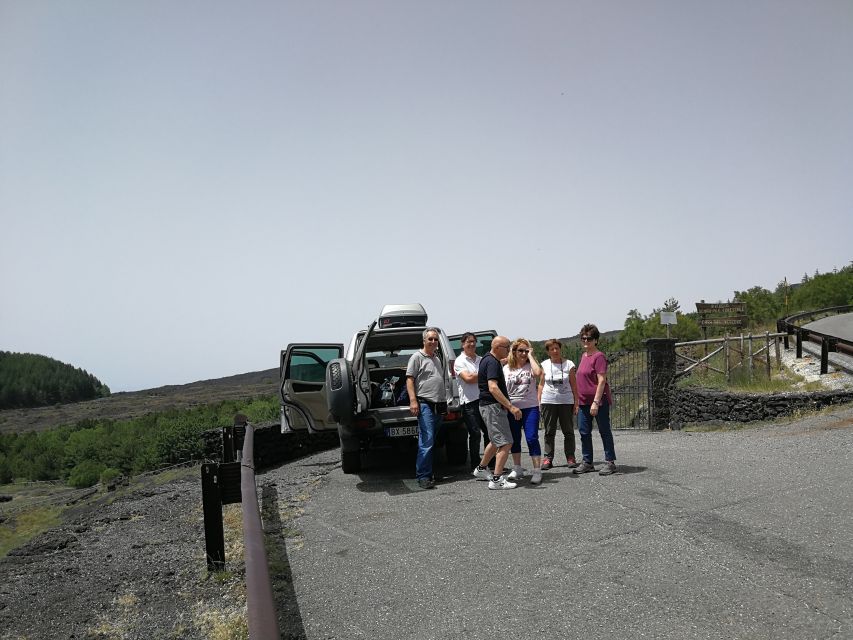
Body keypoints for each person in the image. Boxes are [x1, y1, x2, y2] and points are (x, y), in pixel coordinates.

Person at [471, 336, 520, 489]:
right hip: (492, 407)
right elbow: (493, 387)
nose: (509, 350)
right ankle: (497, 479)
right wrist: (510, 406)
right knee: (506, 442)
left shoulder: (488, 359)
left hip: (487, 406)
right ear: (498, 347)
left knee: (495, 440)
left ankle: (481, 468)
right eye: (507, 347)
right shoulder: (492, 362)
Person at [406, 327, 447, 489]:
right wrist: (413, 400)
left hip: (439, 405)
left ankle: (429, 473)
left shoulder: (437, 358)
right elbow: (409, 380)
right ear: (424, 341)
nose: (433, 341)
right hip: (424, 404)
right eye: (430, 339)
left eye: (435, 339)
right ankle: (423, 476)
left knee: (432, 440)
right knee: (427, 440)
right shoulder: (417, 357)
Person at [573, 323, 617, 475]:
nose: (586, 341)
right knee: (584, 432)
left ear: (596, 340)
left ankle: (610, 462)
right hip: (583, 401)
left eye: (589, 338)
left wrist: (596, 402)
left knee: (604, 431)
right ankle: (587, 462)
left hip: (598, 401)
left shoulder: (599, 357)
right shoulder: (584, 356)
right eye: (583, 338)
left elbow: (601, 381)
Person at [503, 338, 544, 484]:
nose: (523, 353)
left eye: (526, 350)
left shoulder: (530, 366)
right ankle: (517, 467)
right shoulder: (506, 368)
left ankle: (537, 470)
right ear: (513, 351)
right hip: (512, 408)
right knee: (514, 438)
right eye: (520, 350)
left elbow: (539, 373)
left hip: (530, 407)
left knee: (532, 437)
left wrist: (531, 356)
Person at [538, 339, 579, 470]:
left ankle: (570, 457)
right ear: (548, 352)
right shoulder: (544, 364)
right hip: (548, 401)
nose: (555, 351)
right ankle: (548, 458)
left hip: (566, 401)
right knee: (549, 431)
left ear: (560, 349)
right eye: (552, 349)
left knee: (568, 431)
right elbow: (541, 384)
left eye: (557, 348)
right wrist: (538, 401)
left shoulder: (569, 364)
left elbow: (574, 385)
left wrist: (576, 402)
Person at [454, 332, 491, 470]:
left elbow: (475, 377)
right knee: (475, 433)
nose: (472, 344)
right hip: (469, 403)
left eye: (474, 341)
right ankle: (475, 464)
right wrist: (485, 373)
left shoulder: (481, 360)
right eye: (468, 341)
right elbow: (468, 379)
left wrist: (479, 375)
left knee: (489, 432)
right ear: (462, 344)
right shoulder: (459, 361)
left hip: (483, 400)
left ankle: (490, 463)